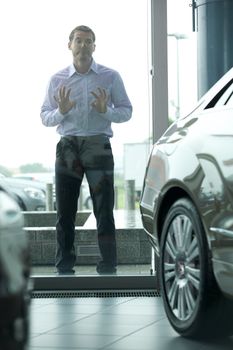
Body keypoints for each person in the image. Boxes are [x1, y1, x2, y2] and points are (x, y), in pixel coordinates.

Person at [40, 25, 132, 275]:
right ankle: (64, 265)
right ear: (69, 45)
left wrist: (106, 111)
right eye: (78, 41)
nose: (83, 45)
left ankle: (108, 264)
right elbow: (45, 117)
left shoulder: (110, 76)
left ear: (94, 46)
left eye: (88, 41)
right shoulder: (57, 79)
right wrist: (62, 111)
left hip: (98, 145)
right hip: (68, 146)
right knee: (65, 210)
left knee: (104, 209)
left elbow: (126, 111)